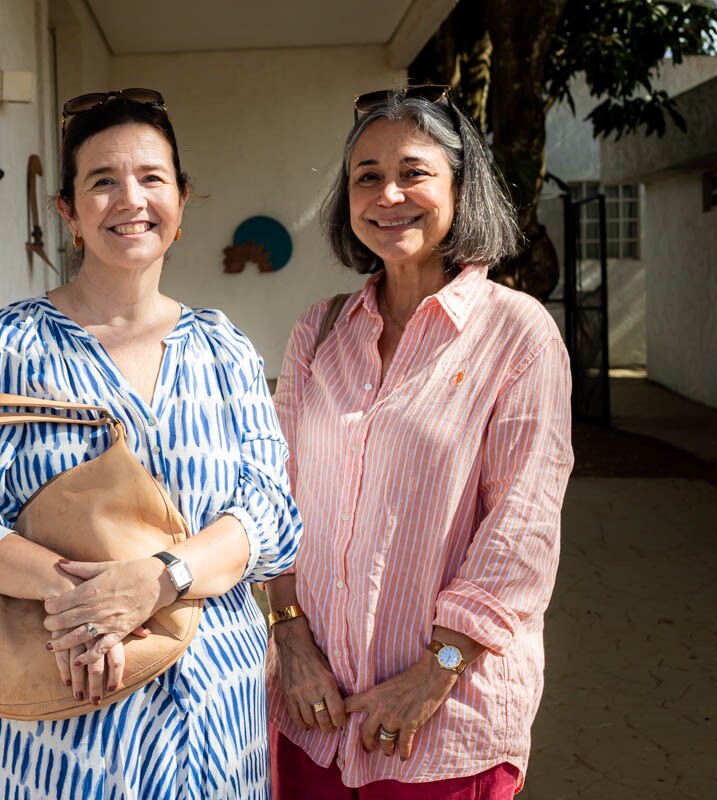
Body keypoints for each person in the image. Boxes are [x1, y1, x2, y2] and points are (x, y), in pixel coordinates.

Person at [0, 89, 301, 799]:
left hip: (216, 721)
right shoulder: (14, 342)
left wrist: (160, 578)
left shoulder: (223, 348)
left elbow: (271, 518)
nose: (130, 199)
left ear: (182, 199)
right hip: (65, 728)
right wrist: (78, 598)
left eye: (151, 178)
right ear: (69, 212)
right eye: (102, 181)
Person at [265, 86, 573, 798]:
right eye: (366, 176)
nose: (388, 193)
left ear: (461, 187)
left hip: (443, 723)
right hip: (314, 712)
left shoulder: (517, 333)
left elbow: (522, 526)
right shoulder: (319, 331)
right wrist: (289, 636)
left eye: (413, 171)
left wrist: (435, 672)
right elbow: (269, 495)